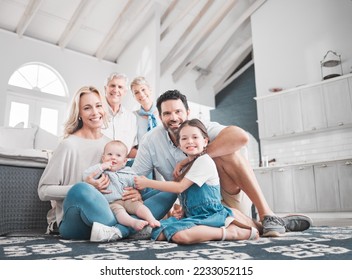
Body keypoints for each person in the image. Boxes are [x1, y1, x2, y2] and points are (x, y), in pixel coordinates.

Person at [130, 89, 312, 237]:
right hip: (194, 204)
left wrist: (191, 160)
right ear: (160, 117)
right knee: (171, 233)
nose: (174, 117)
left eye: (178, 111)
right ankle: (269, 226)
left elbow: (241, 137)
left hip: (221, 193)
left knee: (227, 153)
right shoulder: (151, 140)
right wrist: (134, 193)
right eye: (167, 113)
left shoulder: (200, 129)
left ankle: (267, 215)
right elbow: (135, 176)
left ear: (187, 113)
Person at [37, 86, 176, 241]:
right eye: (87, 108)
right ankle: (126, 229)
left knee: (169, 188)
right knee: (82, 188)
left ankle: (119, 231)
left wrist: (135, 193)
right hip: (76, 221)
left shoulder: (111, 145)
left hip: (115, 208)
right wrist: (89, 187)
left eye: (98, 106)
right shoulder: (68, 145)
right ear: (79, 114)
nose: (95, 112)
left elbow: (124, 181)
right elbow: (43, 191)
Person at [134, 119, 259, 244]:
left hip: (209, 214)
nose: (190, 141)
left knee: (180, 236)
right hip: (193, 214)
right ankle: (216, 228)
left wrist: (147, 183)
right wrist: (184, 208)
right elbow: (190, 193)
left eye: (195, 137)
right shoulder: (187, 166)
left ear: (205, 141)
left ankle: (231, 232)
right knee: (159, 233)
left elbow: (180, 187)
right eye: (184, 139)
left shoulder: (204, 161)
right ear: (179, 144)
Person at [83, 140, 160, 231]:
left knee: (140, 207)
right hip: (112, 202)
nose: (113, 158)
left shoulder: (128, 171)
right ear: (103, 158)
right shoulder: (102, 171)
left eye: (118, 155)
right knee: (120, 213)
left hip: (128, 199)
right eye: (109, 154)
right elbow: (86, 175)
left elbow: (137, 183)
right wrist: (102, 166)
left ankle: (151, 219)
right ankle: (133, 223)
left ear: (124, 161)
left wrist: (140, 187)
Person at [102, 72, 138, 159]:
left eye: (120, 87)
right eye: (112, 86)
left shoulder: (131, 118)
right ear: (105, 88)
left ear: (125, 92)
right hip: (97, 167)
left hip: (122, 169)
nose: (116, 90)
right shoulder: (96, 113)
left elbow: (131, 149)